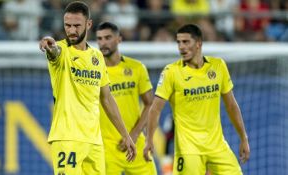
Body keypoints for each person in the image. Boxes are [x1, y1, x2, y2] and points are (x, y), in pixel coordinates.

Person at [38, 2, 136, 175]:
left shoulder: (97, 57)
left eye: (77, 25)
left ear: (88, 25)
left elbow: (106, 99)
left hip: (94, 141)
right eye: (67, 26)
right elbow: (54, 52)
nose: (72, 30)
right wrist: (50, 45)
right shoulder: (62, 51)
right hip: (67, 138)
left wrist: (126, 135)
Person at [144, 24, 250, 175]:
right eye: (178, 42)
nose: (181, 47)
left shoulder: (218, 66)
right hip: (189, 150)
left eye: (186, 42)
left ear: (199, 43)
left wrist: (243, 138)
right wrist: (149, 140)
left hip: (217, 146)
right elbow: (155, 109)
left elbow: (231, 105)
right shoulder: (171, 72)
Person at [96, 21, 157, 175]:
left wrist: (135, 134)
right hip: (106, 148)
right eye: (100, 39)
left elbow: (150, 104)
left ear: (119, 39)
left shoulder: (137, 68)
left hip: (135, 143)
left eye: (108, 37)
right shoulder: (94, 72)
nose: (103, 43)